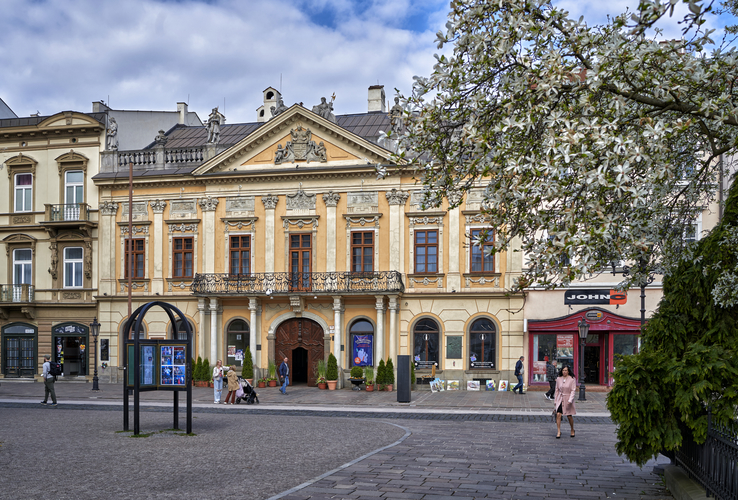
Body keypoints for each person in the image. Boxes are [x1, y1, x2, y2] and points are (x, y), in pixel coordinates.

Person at [554, 365, 577, 438]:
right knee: (558, 414)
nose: (564, 372)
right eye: (563, 370)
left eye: (566, 370)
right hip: (560, 399)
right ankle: (558, 431)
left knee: (569, 416)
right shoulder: (558, 378)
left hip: (568, 399)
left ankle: (572, 429)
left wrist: (570, 400)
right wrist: (555, 400)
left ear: (568, 371)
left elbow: (573, 390)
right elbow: (557, 390)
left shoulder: (572, 379)